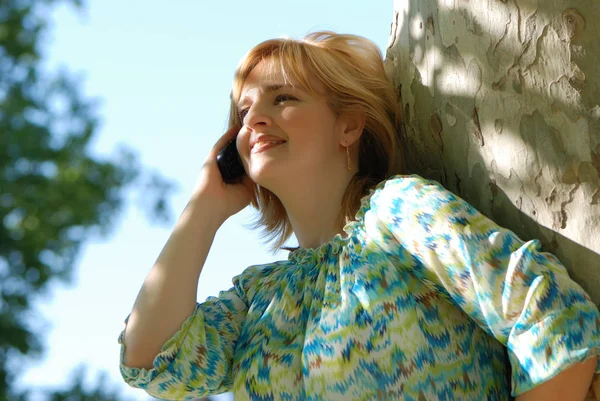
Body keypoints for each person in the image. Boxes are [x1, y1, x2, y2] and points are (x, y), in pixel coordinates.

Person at [118, 31, 600, 401]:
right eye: (243, 112)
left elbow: (551, 314)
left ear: (349, 125)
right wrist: (204, 207)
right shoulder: (257, 295)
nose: (253, 120)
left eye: (282, 98)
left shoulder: (399, 214)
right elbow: (153, 363)